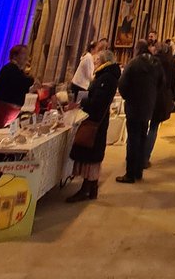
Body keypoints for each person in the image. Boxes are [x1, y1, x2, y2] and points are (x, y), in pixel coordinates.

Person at [67, 48, 121, 202]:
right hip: (97, 120)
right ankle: (92, 188)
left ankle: (86, 190)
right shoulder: (106, 75)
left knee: (90, 156)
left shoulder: (106, 78)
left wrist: (82, 101)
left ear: (104, 61)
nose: (95, 62)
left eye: (97, 60)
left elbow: (98, 102)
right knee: (92, 155)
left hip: (95, 121)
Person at [116, 40, 159, 184]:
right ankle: (139, 170)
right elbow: (162, 83)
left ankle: (130, 173)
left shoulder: (133, 63)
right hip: (147, 107)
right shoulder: (155, 63)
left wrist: (128, 97)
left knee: (132, 140)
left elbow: (122, 84)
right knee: (142, 137)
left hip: (134, 106)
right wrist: (152, 97)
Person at [0, 45, 37, 128]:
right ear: (14, 56)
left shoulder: (18, 71)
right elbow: (20, 83)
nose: (27, 57)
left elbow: (20, 88)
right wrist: (32, 81)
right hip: (3, 109)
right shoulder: (9, 69)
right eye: (24, 54)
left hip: (11, 110)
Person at [145, 40, 175, 165]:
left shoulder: (150, 61)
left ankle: (136, 155)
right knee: (153, 128)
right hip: (161, 99)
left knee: (142, 127)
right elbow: (173, 83)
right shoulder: (170, 64)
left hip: (148, 96)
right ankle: (145, 157)